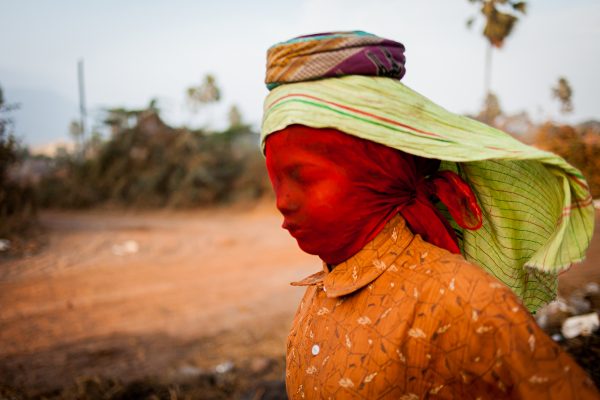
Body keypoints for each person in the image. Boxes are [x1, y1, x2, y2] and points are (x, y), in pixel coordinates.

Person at [261, 31, 599, 399]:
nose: (283, 201)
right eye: (275, 179)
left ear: (379, 170)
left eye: (303, 177)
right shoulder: (317, 297)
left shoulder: (465, 302)